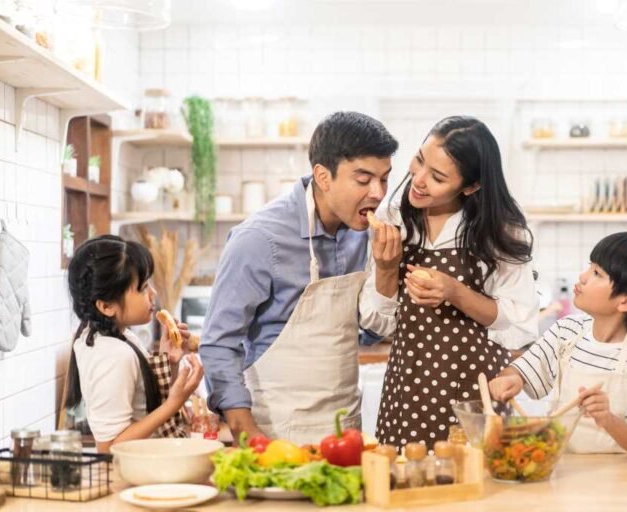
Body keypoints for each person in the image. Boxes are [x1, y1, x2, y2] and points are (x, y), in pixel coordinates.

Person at [200, 111, 399, 444]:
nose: (378, 193)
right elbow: (219, 343)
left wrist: (389, 270)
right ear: (323, 176)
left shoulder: (365, 235)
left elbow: (368, 329)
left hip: (343, 427)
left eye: (384, 178)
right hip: (272, 429)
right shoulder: (259, 238)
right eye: (363, 180)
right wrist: (245, 431)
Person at [360, 116, 538, 450]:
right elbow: (376, 324)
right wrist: (386, 268)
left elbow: (519, 324)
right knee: (406, 487)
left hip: (477, 393)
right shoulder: (392, 218)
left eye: (438, 177)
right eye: (419, 161)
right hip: (408, 391)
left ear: (470, 187)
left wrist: (455, 292)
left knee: (477, 492)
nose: (419, 180)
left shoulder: (500, 231)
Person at [489, 232, 627, 458]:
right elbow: (521, 371)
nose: (582, 277)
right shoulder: (567, 331)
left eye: (597, 273)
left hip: (622, 479)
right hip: (563, 466)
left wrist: (607, 419)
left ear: (626, 301)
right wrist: (512, 378)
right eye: (589, 267)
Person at [65, 235, 204, 453]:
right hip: (134, 471)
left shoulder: (119, 338)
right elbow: (109, 447)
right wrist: (174, 404)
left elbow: (144, 405)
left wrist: (169, 361)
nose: (153, 294)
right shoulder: (114, 355)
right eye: (143, 287)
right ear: (106, 306)